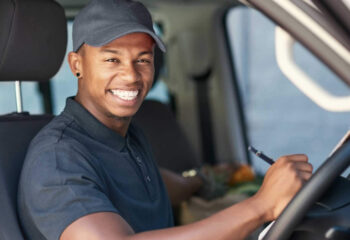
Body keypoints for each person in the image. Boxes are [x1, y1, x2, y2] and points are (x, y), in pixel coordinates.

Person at [17, 0, 313, 240]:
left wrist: (202, 179)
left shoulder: (124, 134)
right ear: (76, 65)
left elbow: (151, 184)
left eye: (143, 59)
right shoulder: (57, 160)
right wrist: (261, 206)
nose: (132, 75)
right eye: (112, 59)